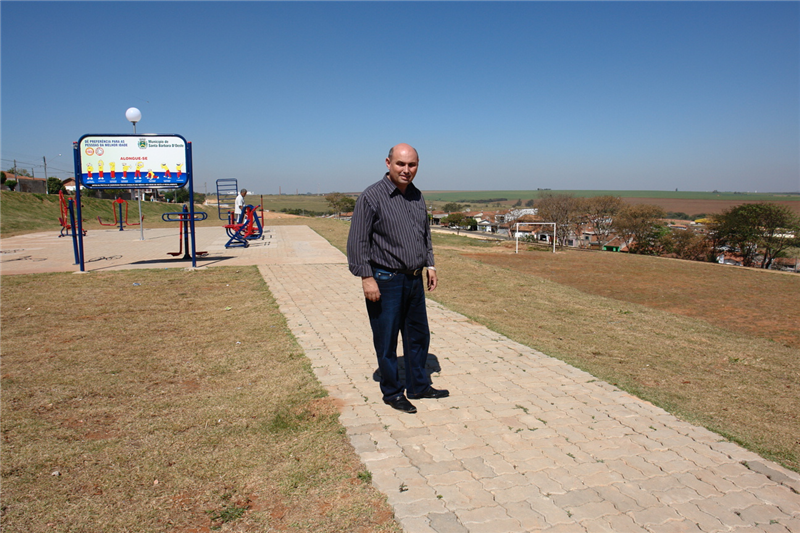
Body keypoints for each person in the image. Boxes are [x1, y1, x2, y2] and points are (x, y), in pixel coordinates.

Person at [347, 143, 449, 414]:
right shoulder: (372, 196)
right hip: (385, 280)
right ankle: (392, 392)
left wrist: (431, 264)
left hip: (414, 279)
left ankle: (419, 385)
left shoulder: (417, 196)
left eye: (412, 165)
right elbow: (357, 241)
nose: (407, 170)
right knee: (387, 338)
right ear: (388, 163)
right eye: (401, 164)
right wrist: (366, 278)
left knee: (418, 336)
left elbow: (424, 234)